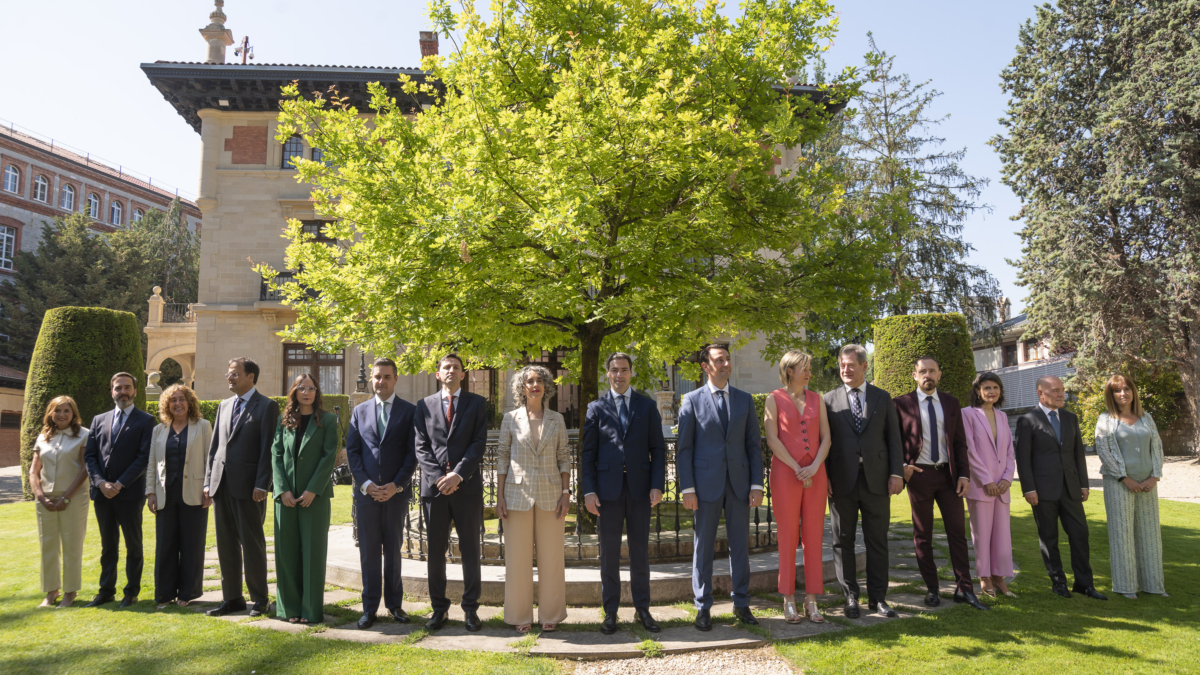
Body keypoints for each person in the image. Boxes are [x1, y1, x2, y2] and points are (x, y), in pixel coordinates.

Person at [677, 343, 763, 631]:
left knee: (740, 546)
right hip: (704, 487)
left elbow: (753, 445)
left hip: (739, 485)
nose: (726, 364)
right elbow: (684, 449)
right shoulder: (690, 400)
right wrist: (687, 488)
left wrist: (756, 483)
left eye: (727, 359)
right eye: (719, 360)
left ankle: (741, 603)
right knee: (703, 548)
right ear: (705, 367)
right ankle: (703, 606)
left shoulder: (745, 400)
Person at [893, 357, 988, 611]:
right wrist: (902, 467)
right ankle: (932, 589)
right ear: (914, 375)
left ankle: (964, 589)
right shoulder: (901, 404)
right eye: (922, 371)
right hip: (919, 476)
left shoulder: (951, 402)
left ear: (939, 374)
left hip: (949, 477)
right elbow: (893, 440)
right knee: (922, 535)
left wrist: (964, 475)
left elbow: (959, 442)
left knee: (957, 534)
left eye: (932, 371)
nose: (928, 375)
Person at [581, 352, 666, 635]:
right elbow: (588, 454)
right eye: (614, 370)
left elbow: (658, 449)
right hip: (607, 492)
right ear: (607, 373)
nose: (619, 375)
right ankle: (611, 612)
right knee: (609, 553)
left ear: (631, 373)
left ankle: (643, 609)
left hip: (641, 490)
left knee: (640, 552)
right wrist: (589, 491)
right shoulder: (596, 408)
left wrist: (657, 485)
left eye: (624, 370)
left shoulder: (647, 405)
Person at [823, 344, 904, 619]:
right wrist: (824, 477)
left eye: (851, 365)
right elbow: (825, 442)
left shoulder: (882, 398)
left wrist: (897, 473)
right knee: (842, 541)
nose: (845, 370)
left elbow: (894, 439)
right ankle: (850, 598)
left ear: (864, 366)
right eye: (842, 365)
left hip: (877, 480)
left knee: (877, 541)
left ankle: (878, 598)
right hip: (841, 481)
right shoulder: (828, 400)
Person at [414, 353, 488, 632]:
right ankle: (438, 609)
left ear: (463, 374)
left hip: (466, 488)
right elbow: (421, 446)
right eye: (446, 367)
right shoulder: (423, 406)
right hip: (434, 491)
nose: (451, 371)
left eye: (456, 367)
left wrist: (457, 475)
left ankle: (470, 609)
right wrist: (438, 479)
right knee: (435, 552)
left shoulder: (478, 404)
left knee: (470, 550)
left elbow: (478, 443)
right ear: (438, 373)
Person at [1016, 375, 1106, 600]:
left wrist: (1084, 484)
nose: (1060, 394)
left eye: (1062, 390)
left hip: (1071, 490)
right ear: (1041, 394)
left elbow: (1078, 455)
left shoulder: (1070, 418)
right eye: (1055, 390)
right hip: (1042, 492)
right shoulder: (1027, 420)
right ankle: (1058, 583)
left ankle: (1084, 584)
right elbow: (1023, 459)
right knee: (1049, 538)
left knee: (1080, 535)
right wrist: (1029, 489)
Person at [496, 365, 572, 633]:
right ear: (522, 387)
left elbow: (564, 456)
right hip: (516, 495)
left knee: (552, 558)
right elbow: (503, 457)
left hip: (552, 495)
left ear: (546, 386)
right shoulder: (510, 418)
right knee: (517, 559)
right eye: (530, 381)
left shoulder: (557, 419)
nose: (535, 384)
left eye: (540, 380)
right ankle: (520, 615)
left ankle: (550, 614)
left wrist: (566, 493)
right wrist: (499, 496)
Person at [204, 357, 281, 617]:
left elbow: (268, 449)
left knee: (252, 544)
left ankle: (260, 599)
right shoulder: (224, 406)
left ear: (251, 377)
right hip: (221, 486)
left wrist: (262, 483)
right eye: (229, 373)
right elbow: (214, 449)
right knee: (225, 544)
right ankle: (232, 598)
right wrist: (207, 482)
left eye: (235, 373)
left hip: (249, 489)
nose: (230, 377)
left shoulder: (267, 406)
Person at [345, 357, 418, 629]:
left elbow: (413, 454)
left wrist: (395, 485)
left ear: (395, 379)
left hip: (395, 494)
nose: (380, 381)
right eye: (377, 377)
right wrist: (365, 484)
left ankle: (395, 605)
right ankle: (369, 607)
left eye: (386, 377)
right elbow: (353, 452)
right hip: (366, 496)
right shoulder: (359, 411)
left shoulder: (409, 411)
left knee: (394, 551)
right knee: (369, 552)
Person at [763, 350, 830, 624]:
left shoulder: (818, 399)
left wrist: (813, 467)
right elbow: (771, 439)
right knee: (788, 535)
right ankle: (788, 598)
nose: (809, 372)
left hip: (815, 474)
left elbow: (826, 438)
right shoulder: (773, 399)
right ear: (790, 370)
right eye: (804, 367)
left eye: (809, 368)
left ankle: (811, 599)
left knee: (814, 535)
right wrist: (795, 467)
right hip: (785, 473)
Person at [271, 373, 339, 624]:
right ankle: (289, 609)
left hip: (315, 498)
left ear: (317, 392)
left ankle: (310, 611)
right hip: (286, 498)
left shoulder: (329, 420)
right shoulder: (283, 420)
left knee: (312, 552)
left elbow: (329, 455)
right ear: (294, 392)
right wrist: (283, 490)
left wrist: (313, 489)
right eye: (302, 388)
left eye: (311, 388)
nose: (307, 392)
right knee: (286, 553)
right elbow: (276, 455)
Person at [84, 372, 154, 608]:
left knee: (133, 544)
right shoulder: (98, 420)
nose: (122, 392)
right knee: (108, 545)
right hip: (102, 494)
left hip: (130, 494)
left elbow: (143, 458)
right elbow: (90, 456)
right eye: (118, 388)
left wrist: (120, 483)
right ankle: (106, 591)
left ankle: (131, 591)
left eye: (127, 388)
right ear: (111, 391)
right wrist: (101, 483)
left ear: (134, 391)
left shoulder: (146, 421)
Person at [1093, 374, 1168, 599]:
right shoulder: (1105, 420)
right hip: (1119, 484)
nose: (1123, 393)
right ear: (1111, 395)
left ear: (1133, 391)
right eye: (1117, 390)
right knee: (1122, 534)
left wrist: (1154, 477)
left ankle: (1153, 585)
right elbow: (1104, 451)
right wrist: (1124, 478)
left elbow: (1157, 448)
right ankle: (1126, 587)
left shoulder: (1147, 418)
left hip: (1147, 485)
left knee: (1150, 534)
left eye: (1127, 388)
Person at [146, 384, 213, 609]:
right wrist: (151, 492)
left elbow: (209, 460)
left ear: (189, 402)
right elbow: (151, 464)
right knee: (165, 545)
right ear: (167, 405)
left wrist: (208, 487)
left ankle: (187, 593)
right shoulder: (159, 430)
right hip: (165, 494)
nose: (178, 404)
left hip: (195, 494)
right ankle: (164, 595)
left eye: (181, 399)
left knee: (191, 544)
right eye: (173, 400)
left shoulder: (202, 426)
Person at [30, 396, 90, 608]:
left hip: (73, 498)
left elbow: (85, 469)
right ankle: (51, 591)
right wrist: (40, 497)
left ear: (73, 414)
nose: (62, 415)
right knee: (48, 545)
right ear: (51, 414)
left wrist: (66, 497)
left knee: (72, 544)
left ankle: (70, 592)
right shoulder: (43, 437)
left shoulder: (84, 435)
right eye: (57, 411)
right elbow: (34, 471)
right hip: (45, 498)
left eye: (66, 411)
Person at [961, 372, 1017, 598]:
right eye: (987, 388)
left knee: (1002, 536)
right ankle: (985, 578)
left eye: (996, 387)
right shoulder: (968, 414)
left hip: (1002, 488)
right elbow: (969, 450)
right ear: (977, 391)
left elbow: (1010, 451)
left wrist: (1006, 478)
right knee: (982, 535)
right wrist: (987, 481)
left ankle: (1000, 578)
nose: (992, 391)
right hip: (980, 486)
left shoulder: (1003, 416)